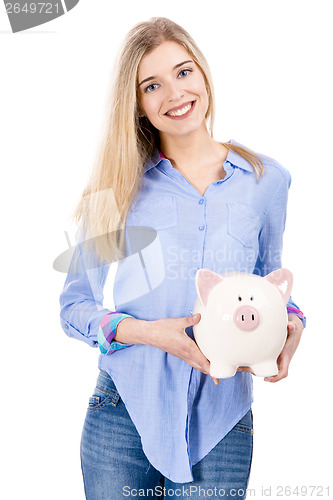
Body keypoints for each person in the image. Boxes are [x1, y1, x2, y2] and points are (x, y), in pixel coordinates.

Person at [59, 17, 306, 500]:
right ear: (138, 105)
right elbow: (74, 306)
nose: (175, 93)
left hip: (223, 420)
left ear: (204, 76)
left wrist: (292, 325)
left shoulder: (266, 181)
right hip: (122, 412)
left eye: (184, 72)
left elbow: (269, 281)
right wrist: (147, 333)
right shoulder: (117, 186)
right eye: (152, 85)